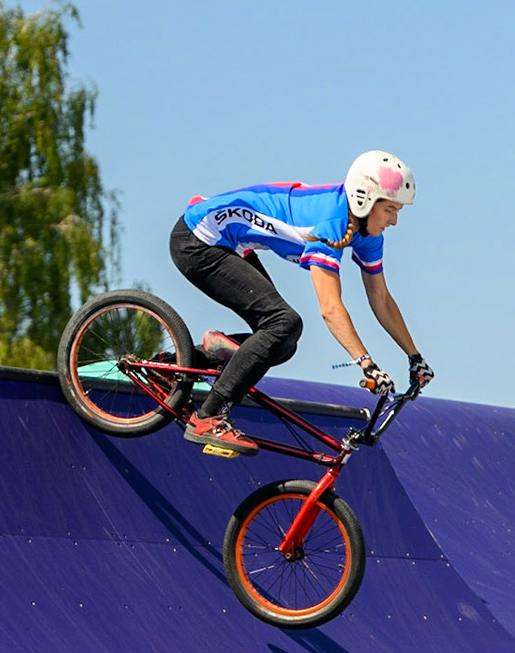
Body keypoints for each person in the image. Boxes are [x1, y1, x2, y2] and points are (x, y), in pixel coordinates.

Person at [169, 151, 432, 455]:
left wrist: (414, 356)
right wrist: (367, 364)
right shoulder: (330, 224)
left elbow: (381, 298)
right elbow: (331, 308)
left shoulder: (366, 232)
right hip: (197, 240)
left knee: (281, 343)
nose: (395, 221)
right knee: (284, 324)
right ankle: (208, 417)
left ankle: (187, 361)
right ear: (365, 200)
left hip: (229, 244)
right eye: (390, 210)